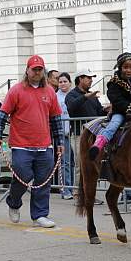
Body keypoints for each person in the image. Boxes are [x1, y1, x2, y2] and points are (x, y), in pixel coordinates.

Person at [0, 54, 64, 228]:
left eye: (40, 70)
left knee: (43, 180)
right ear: (27, 70)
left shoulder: (49, 92)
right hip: (20, 144)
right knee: (23, 175)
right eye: (34, 69)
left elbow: (56, 119)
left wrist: (59, 142)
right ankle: (14, 202)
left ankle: (39, 215)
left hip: (44, 145)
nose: (37, 72)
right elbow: (2, 115)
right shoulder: (16, 90)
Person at [89, 52, 131, 160]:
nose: (129, 70)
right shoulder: (114, 82)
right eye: (125, 67)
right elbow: (116, 99)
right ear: (120, 67)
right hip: (120, 112)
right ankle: (98, 145)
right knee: (113, 125)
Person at [65, 68, 108, 203]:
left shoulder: (92, 96)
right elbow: (71, 107)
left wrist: (107, 110)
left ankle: (89, 195)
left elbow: (98, 112)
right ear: (80, 79)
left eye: (91, 78)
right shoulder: (71, 95)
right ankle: (78, 194)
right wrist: (85, 97)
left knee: (92, 166)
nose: (91, 80)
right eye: (88, 78)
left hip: (93, 135)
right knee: (80, 165)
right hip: (79, 135)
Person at [56, 72, 74, 200]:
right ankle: (65, 189)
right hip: (63, 133)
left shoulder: (73, 95)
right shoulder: (55, 96)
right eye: (60, 82)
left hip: (74, 131)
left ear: (70, 82)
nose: (62, 84)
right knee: (65, 162)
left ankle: (73, 187)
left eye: (65, 81)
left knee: (73, 162)